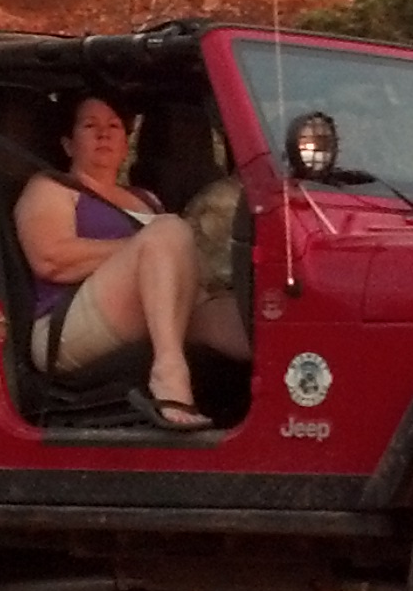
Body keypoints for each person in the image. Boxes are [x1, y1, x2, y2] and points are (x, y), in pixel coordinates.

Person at [17, 92, 249, 434]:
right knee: (170, 231)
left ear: (126, 143)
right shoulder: (52, 187)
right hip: (65, 330)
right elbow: (51, 260)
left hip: (146, 309)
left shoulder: (146, 198)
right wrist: (143, 249)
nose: (104, 134)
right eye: (90, 126)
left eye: (114, 126)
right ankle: (168, 373)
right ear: (68, 144)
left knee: (248, 318)